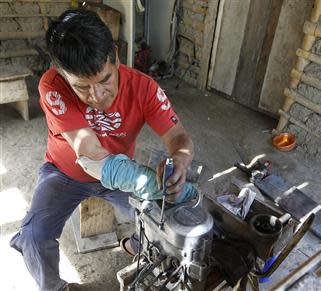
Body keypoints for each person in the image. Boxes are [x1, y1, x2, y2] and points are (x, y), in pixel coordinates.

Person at [10, 9, 197, 291]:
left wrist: (180, 160)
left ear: (117, 57)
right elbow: (89, 155)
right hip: (65, 174)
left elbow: (178, 136)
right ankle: (54, 287)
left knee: (165, 217)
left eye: (105, 80)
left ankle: (137, 244)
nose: (96, 97)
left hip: (119, 175)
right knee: (34, 235)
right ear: (63, 74)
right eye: (82, 87)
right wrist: (145, 182)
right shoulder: (52, 85)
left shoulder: (144, 88)